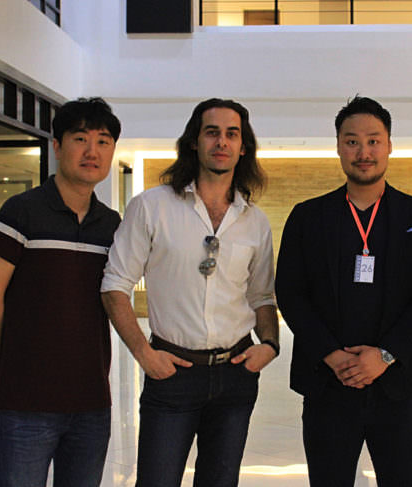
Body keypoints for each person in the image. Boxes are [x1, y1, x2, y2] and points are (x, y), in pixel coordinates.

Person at [101, 98, 278, 487]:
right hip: (173, 373)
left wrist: (269, 344)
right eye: (212, 132)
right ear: (194, 142)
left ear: (243, 147)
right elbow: (115, 285)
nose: (222, 142)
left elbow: (262, 296)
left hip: (235, 375)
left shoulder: (254, 220)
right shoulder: (152, 206)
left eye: (232, 134)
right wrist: (144, 354)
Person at [275, 96, 412, 486]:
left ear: (389, 146)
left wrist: (385, 354)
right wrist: (333, 356)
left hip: (398, 384)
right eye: (352, 141)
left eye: (374, 141)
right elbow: (290, 293)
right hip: (327, 384)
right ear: (339, 147)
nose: (363, 152)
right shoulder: (308, 217)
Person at [0, 97, 121, 487]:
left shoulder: (112, 226)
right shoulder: (20, 212)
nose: (92, 151)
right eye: (80, 139)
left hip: (91, 403)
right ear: (57, 146)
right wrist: (14, 363)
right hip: (26, 405)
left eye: (103, 141)